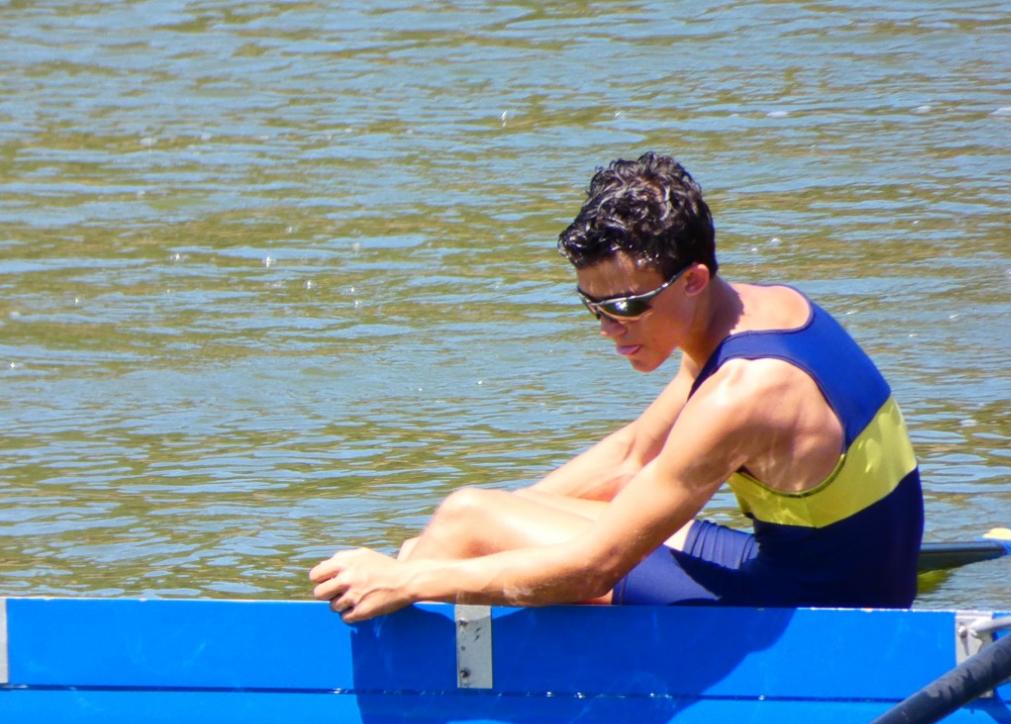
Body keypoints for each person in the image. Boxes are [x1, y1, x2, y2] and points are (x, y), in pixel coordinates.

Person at [311, 153, 923, 622]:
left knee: (469, 516)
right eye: (592, 304)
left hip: (820, 622)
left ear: (693, 279)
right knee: (477, 520)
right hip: (822, 573)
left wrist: (415, 577)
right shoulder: (761, 310)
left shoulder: (744, 393)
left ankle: (392, 685)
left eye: (627, 305)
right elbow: (633, 457)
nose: (608, 327)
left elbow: (594, 568)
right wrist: (496, 528)